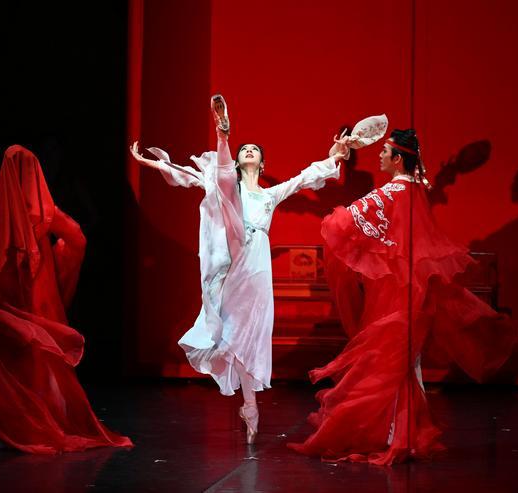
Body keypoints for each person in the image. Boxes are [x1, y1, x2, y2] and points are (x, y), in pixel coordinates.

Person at [130, 94, 387, 443]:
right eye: (244, 149)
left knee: (247, 334)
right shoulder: (227, 185)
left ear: (262, 165)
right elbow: (189, 176)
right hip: (230, 250)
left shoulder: (269, 195)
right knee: (222, 187)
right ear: (239, 161)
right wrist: (153, 163)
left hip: (255, 262)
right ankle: (222, 134)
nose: (249, 151)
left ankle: (250, 405)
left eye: (254, 150)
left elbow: (304, 178)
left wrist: (335, 156)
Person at [288, 128, 514, 465]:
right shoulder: (416, 191)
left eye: (384, 152)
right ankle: (408, 433)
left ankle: (394, 435)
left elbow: (344, 223)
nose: (379, 156)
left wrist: (337, 222)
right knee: (406, 361)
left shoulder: (393, 191)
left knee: (387, 362)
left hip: (394, 295)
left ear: (397, 159)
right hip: (413, 290)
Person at [0, 144, 132, 454]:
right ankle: (25, 421)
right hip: (34, 302)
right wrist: (57, 261)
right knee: (34, 359)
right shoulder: (44, 212)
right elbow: (77, 238)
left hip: (3, 303)